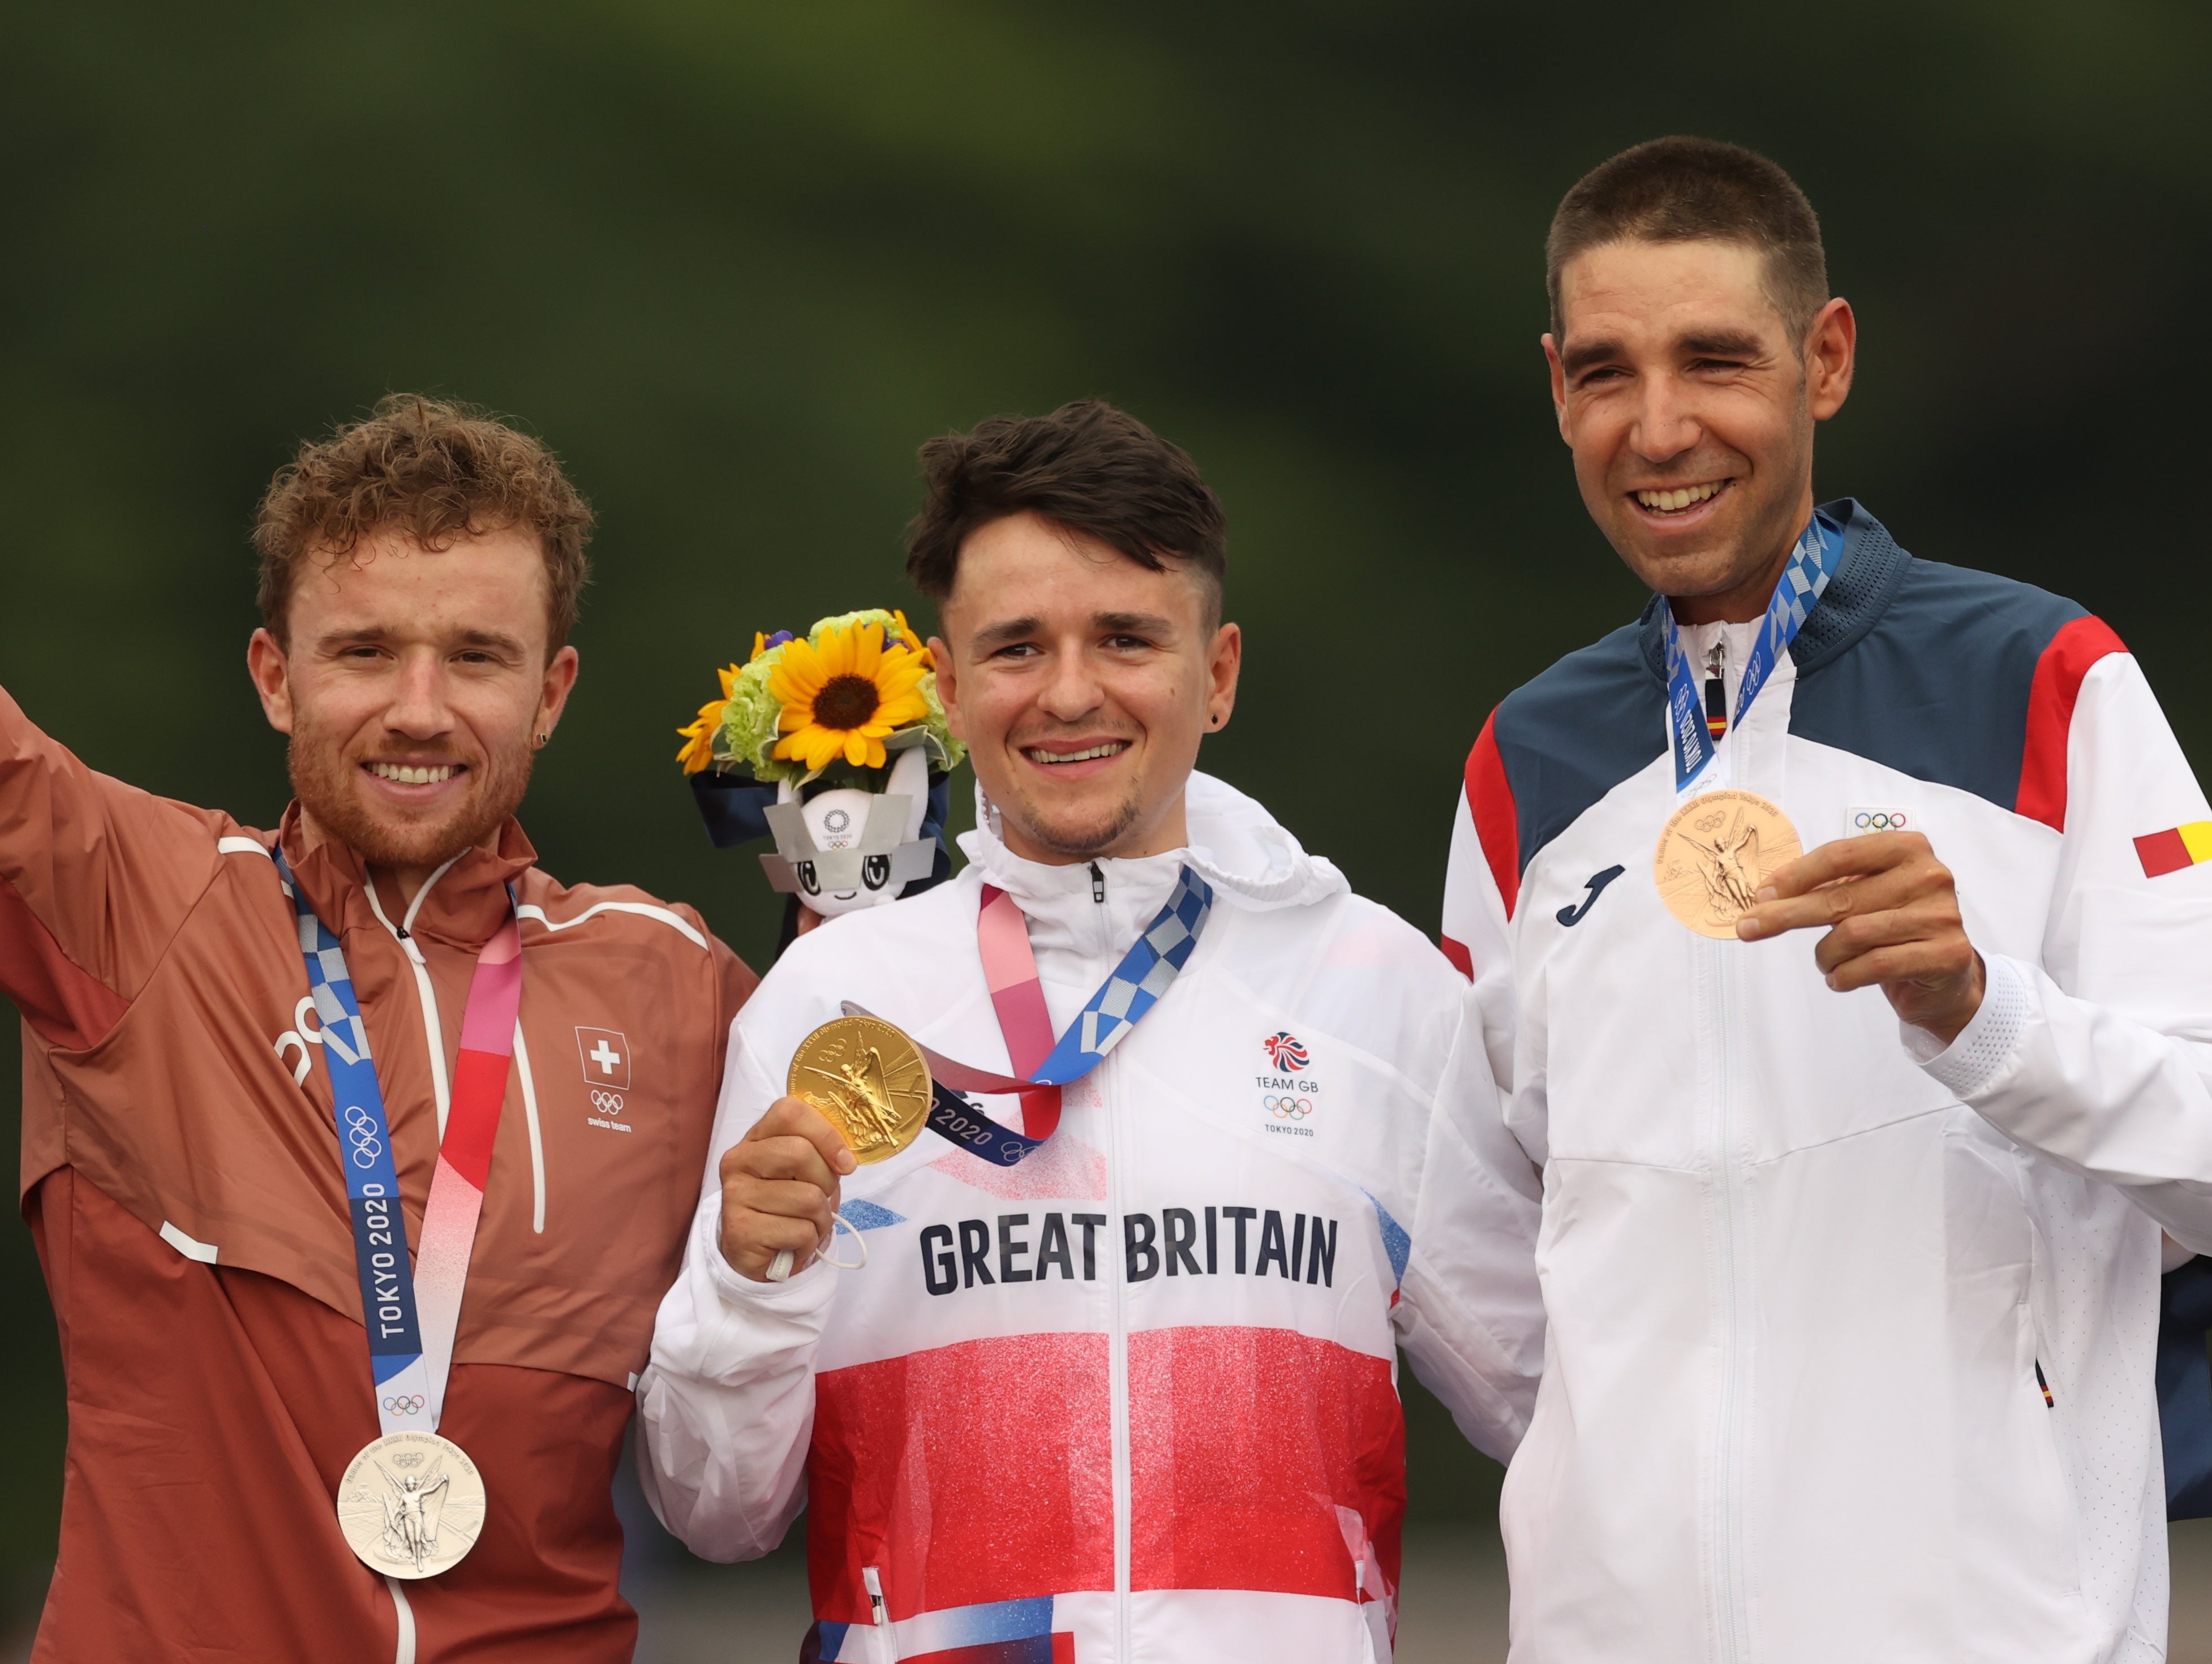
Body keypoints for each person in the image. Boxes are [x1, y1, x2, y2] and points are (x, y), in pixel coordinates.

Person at [0, 121, 756, 1663]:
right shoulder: (142, 903)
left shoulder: (674, 989)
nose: (417, 708)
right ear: (273, 676)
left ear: (556, 692)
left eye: (475, 658)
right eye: (362, 652)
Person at [1438, 137, 2212, 1661]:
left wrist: (1991, 1019)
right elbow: (1471, 1259)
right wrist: (1640, 1486)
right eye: (1606, 371)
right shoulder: (1522, 764)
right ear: (1554, 389)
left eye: (1715, 360)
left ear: (1826, 360)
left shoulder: (2041, 679)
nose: (1659, 428)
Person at [637, 402, 1543, 1662]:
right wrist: (744, 1285)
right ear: (947, 691)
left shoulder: (1375, 987)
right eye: (1017, 647)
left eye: (1126, 638)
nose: (1071, 694)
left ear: (1216, 675)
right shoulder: (824, 1004)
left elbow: (1557, 1402)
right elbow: (711, 1510)